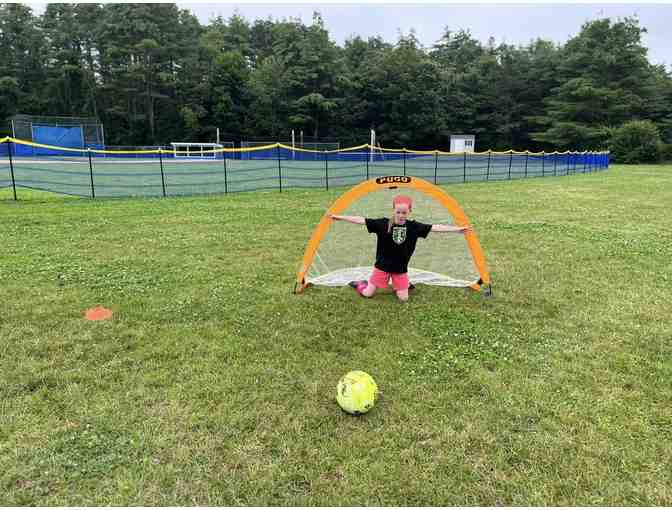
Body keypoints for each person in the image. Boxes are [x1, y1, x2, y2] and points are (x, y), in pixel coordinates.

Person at [329, 194, 471, 302]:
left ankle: (404, 283)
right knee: (368, 294)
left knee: (403, 299)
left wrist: (457, 229)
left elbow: (435, 227)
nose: (401, 215)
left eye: (404, 212)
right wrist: (340, 217)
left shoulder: (414, 227)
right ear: (394, 210)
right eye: (398, 212)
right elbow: (361, 220)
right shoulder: (383, 224)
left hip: (400, 269)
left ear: (409, 211)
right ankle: (360, 283)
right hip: (382, 267)